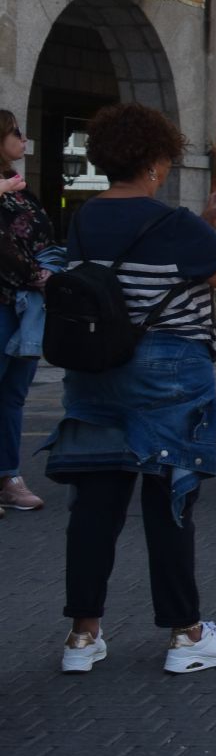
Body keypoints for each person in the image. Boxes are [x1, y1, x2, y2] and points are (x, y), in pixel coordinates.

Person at [42, 103, 216, 674]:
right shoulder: (174, 226)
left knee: (95, 503)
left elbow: (128, 268)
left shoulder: (85, 219)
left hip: (96, 372)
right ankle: (186, 635)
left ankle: (82, 638)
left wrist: (204, 221)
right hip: (168, 373)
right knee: (169, 502)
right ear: (156, 164)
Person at [0, 108, 54, 512]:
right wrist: (34, 272)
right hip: (5, 298)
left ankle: (8, 475)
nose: (24, 138)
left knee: (14, 394)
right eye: (16, 132)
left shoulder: (19, 189)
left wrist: (49, 269)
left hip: (28, 303)